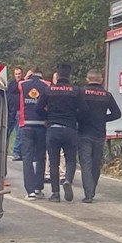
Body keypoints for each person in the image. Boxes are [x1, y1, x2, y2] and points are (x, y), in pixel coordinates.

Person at [77, 70, 121, 203]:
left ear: (87, 79)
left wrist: (80, 120)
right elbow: (117, 113)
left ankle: (88, 193)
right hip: (99, 133)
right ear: (101, 79)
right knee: (96, 164)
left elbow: (76, 110)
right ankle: (92, 190)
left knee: (86, 164)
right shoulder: (106, 95)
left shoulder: (82, 93)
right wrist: (102, 119)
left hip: (84, 132)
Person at [39, 64, 82, 202]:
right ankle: (68, 179)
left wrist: (47, 117)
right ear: (69, 75)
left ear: (57, 75)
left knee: (53, 162)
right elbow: (84, 109)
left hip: (53, 129)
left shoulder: (49, 90)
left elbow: (37, 108)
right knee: (70, 160)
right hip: (70, 129)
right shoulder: (76, 91)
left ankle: (55, 194)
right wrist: (75, 118)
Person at [17, 67, 51, 199]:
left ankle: (30, 191)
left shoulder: (22, 84)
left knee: (27, 158)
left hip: (26, 125)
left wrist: (26, 77)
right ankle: (38, 189)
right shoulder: (47, 85)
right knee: (41, 157)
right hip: (42, 125)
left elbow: (14, 89)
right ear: (41, 75)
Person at [6, 67, 24, 161]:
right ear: (14, 75)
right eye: (16, 74)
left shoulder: (24, 83)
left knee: (19, 134)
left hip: (19, 112)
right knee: (7, 133)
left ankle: (17, 152)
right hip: (10, 112)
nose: (18, 75)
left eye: (19, 73)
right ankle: (3, 150)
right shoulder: (12, 84)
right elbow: (13, 89)